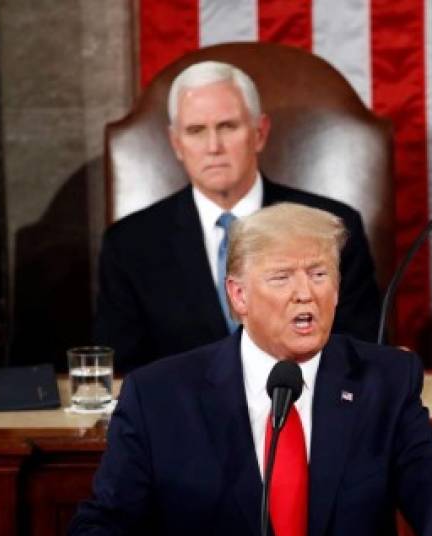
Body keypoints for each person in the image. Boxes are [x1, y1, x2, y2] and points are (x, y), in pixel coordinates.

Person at [68, 203, 432, 536]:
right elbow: (108, 518)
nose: (306, 293)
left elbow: (431, 487)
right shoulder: (161, 395)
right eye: (282, 277)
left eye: (319, 274)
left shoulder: (385, 381)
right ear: (238, 295)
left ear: (337, 289)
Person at [95, 61, 381, 373]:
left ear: (259, 133)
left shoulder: (332, 226)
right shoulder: (130, 244)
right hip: (183, 416)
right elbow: (124, 370)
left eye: (227, 127)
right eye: (195, 131)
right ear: (176, 144)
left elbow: (360, 351)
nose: (213, 147)